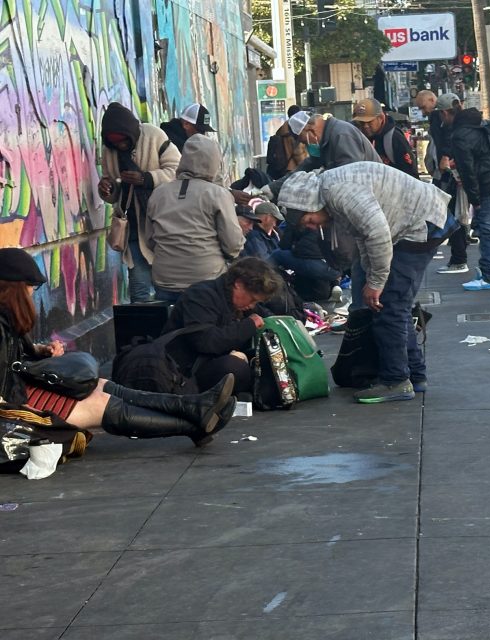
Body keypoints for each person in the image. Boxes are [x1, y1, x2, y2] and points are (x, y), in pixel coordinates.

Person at [0, 248, 236, 447]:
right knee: (98, 405)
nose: (32, 292)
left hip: (18, 390)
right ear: (12, 288)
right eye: (30, 286)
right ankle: (194, 424)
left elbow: (13, 357)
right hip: (10, 409)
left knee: (100, 386)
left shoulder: (6, 318)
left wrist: (40, 351)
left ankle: (192, 406)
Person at [278, 163, 450, 403]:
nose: (311, 227)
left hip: (422, 224)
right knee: (393, 304)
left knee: (388, 305)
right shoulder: (330, 194)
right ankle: (414, 374)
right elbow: (364, 237)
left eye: (308, 220)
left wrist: (376, 282)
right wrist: (371, 276)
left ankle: (396, 381)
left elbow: (377, 234)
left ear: (309, 205)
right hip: (418, 221)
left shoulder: (338, 192)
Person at [161, 258, 283, 395]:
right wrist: (249, 325)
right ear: (238, 284)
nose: (252, 305)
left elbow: (265, 317)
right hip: (186, 369)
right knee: (234, 367)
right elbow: (206, 341)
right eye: (253, 299)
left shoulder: (240, 302)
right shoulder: (201, 295)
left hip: (212, 361)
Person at [144, 135, 245, 302]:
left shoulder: (159, 193)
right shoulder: (218, 194)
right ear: (214, 162)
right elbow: (233, 244)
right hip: (207, 279)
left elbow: (150, 240)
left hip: (165, 279)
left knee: (169, 326)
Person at [98, 102, 180, 302]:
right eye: (115, 143)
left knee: (166, 284)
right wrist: (107, 189)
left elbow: (178, 170)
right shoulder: (109, 150)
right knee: (139, 285)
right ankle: (142, 329)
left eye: (123, 142)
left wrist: (147, 178)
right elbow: (113, 187)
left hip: (162, 222)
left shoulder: (154, 136)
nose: (120, 146)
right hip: (133, 225)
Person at [439, 95, 490, 290]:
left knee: (488, 232)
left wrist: (474, 199)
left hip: (487, 186)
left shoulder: (461, 134)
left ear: (445, 113)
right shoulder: (481, 124)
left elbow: (468, 170)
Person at [417, 91, 472, 275]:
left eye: (423, 106)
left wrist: (444, 159)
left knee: (450, 215)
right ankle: (458, 255)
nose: (422, 111)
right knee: (452, 214)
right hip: (448, 173)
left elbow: (444, 142)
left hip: (448, 174)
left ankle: (458, 258)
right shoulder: (443, 121)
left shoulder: (443, 122)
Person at [288, 111, 381, 171]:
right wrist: (275, 188)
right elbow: (307, 166)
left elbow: (350, 174)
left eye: (304, 142)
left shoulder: (341, 135)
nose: (306, 145)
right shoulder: (325, 143)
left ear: (311, 131)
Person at [352, 98, 418, 178]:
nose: (365, 126)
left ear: (381, 118)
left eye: (369, 122)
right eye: (362, 122)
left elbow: (410, 172)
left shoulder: (394, 138)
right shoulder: (359, 138)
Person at [266, 105, 308, 180]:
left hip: (282, 168)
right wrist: (307, 167)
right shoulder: (295, 130)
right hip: (292, 168)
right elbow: (298, 153)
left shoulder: (283, 129)